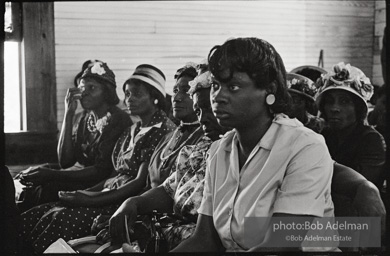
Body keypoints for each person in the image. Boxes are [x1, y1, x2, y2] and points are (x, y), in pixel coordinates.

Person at [171, 37, 334, 252]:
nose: (218, 97)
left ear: (269, 90)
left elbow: (279, 245)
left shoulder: (304, 146)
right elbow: (204, 239)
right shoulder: (219, 150)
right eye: (216, 86)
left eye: (234, 86)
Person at [18, 64, 176, 254]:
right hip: (106, 191)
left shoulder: (162, 131)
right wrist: (84, 193)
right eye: (127, 94)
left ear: (155, 97)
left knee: (60, 219)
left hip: (125, 201)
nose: (129, 99)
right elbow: (111, 173)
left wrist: (89, 199)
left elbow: (138, 184)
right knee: (40, 213)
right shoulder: (132, 129)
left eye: (137, 94)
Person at [101, 65, 230, 252]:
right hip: (177, 234)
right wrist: (133, 203)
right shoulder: (205, 147)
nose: (202, 119)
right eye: (199, 111)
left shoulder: (248, 151)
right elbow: (169, 188)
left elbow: (282, 235)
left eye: (209, 108)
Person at [15, 61, 132, 212]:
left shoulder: (118, 119)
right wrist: (68, 114)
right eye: (82, 87)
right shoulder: (85, 118)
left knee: (48, 186)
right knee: (34, 176)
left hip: (99, 184)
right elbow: (65, 161)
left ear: (107, 92)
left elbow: (101, 171)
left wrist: (52, 175)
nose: (84, 93)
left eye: (92, 88)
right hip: (80, 176)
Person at [316, 62, 386, 188]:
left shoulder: (371, 139)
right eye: (329, 101)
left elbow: (361, 186)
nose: (334, 108)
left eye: (344, 101)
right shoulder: (325, 135)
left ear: (358, 108)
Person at [146, 63, 204, 189]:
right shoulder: (167, 138)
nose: (176, 98)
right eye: (175, 91)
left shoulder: (205, 140)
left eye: (186, 91)